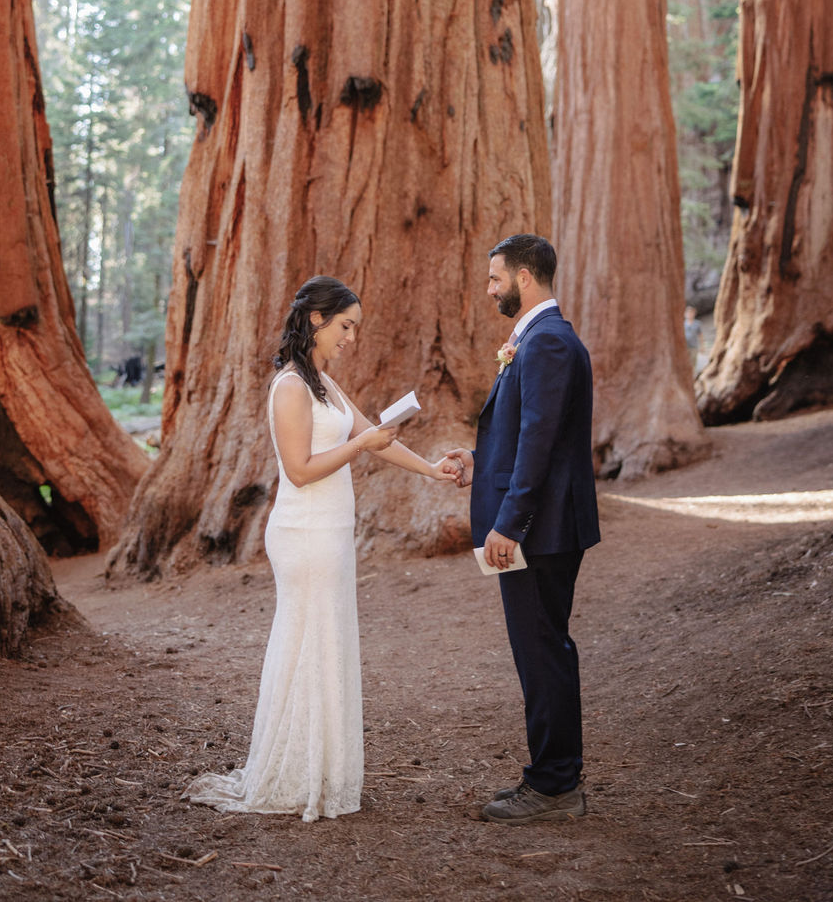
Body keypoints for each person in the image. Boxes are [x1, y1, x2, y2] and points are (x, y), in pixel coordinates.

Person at [182, 275, 460, 822]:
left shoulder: (325, 385)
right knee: (306, 641)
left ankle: (323, 767)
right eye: (346, 326)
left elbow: (375, 434)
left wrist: (432, 470)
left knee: (329, 642)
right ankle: (291, 770)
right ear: (316, 320)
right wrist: (361, 443)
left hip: (331, 531)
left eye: (354, 328)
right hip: (303, 532)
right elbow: (300, 471)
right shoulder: (289, 386)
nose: (351, 337)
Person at [447, 234, 600, 825]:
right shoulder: (536, 340)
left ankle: (555, 785)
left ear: (526, 278)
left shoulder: (549, 343)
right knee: (541, 649)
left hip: (540, 532)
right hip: (540, 524)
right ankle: (554, 777)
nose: (490, 291)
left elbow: (539, 444)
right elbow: (533, 436)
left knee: (542, 653)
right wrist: (479, 460)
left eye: (495, 280)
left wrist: (509, 523)